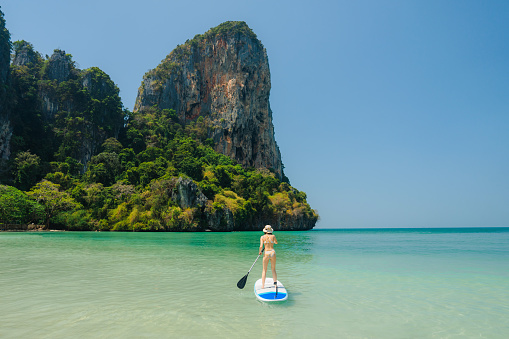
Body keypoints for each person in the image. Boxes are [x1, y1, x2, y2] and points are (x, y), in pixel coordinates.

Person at [259, 225, 278, 289]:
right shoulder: (273, 236)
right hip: (272, 252)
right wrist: (272, 241)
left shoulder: (262, 237)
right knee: (273, 269)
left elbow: (261, 246)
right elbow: (276, 242)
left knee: (264, 270)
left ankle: (263, 286)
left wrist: (260, 252)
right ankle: (275, 285)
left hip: (266, 253)